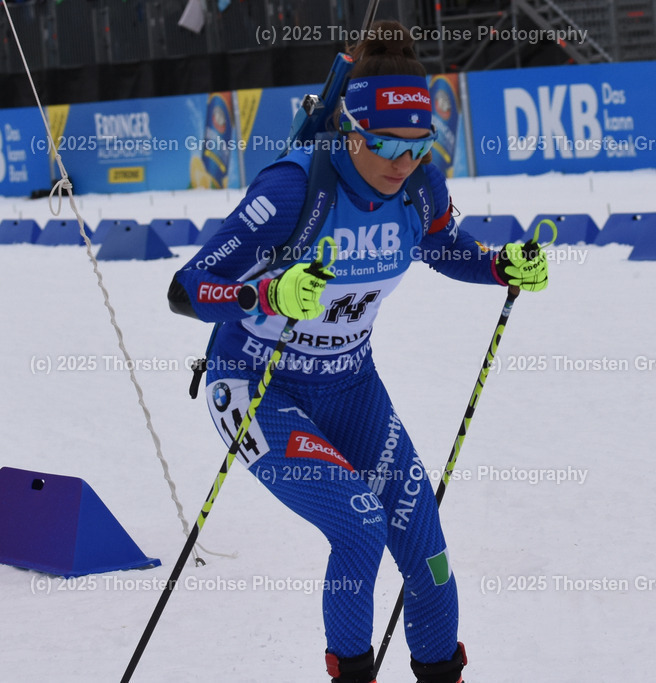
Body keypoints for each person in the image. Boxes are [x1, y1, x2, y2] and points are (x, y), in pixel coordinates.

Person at [167, 20, 549, 683]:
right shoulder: (293, 190)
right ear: (350, 129)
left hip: (350, 387)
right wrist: (266, 297)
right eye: (385, 145)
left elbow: (441, 246)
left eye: (418, 145)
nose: (402, 163)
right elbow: (187, 288)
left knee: (428, 556)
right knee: (358, 522)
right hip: (257, 386)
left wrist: (499, 266)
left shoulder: (420, 184)